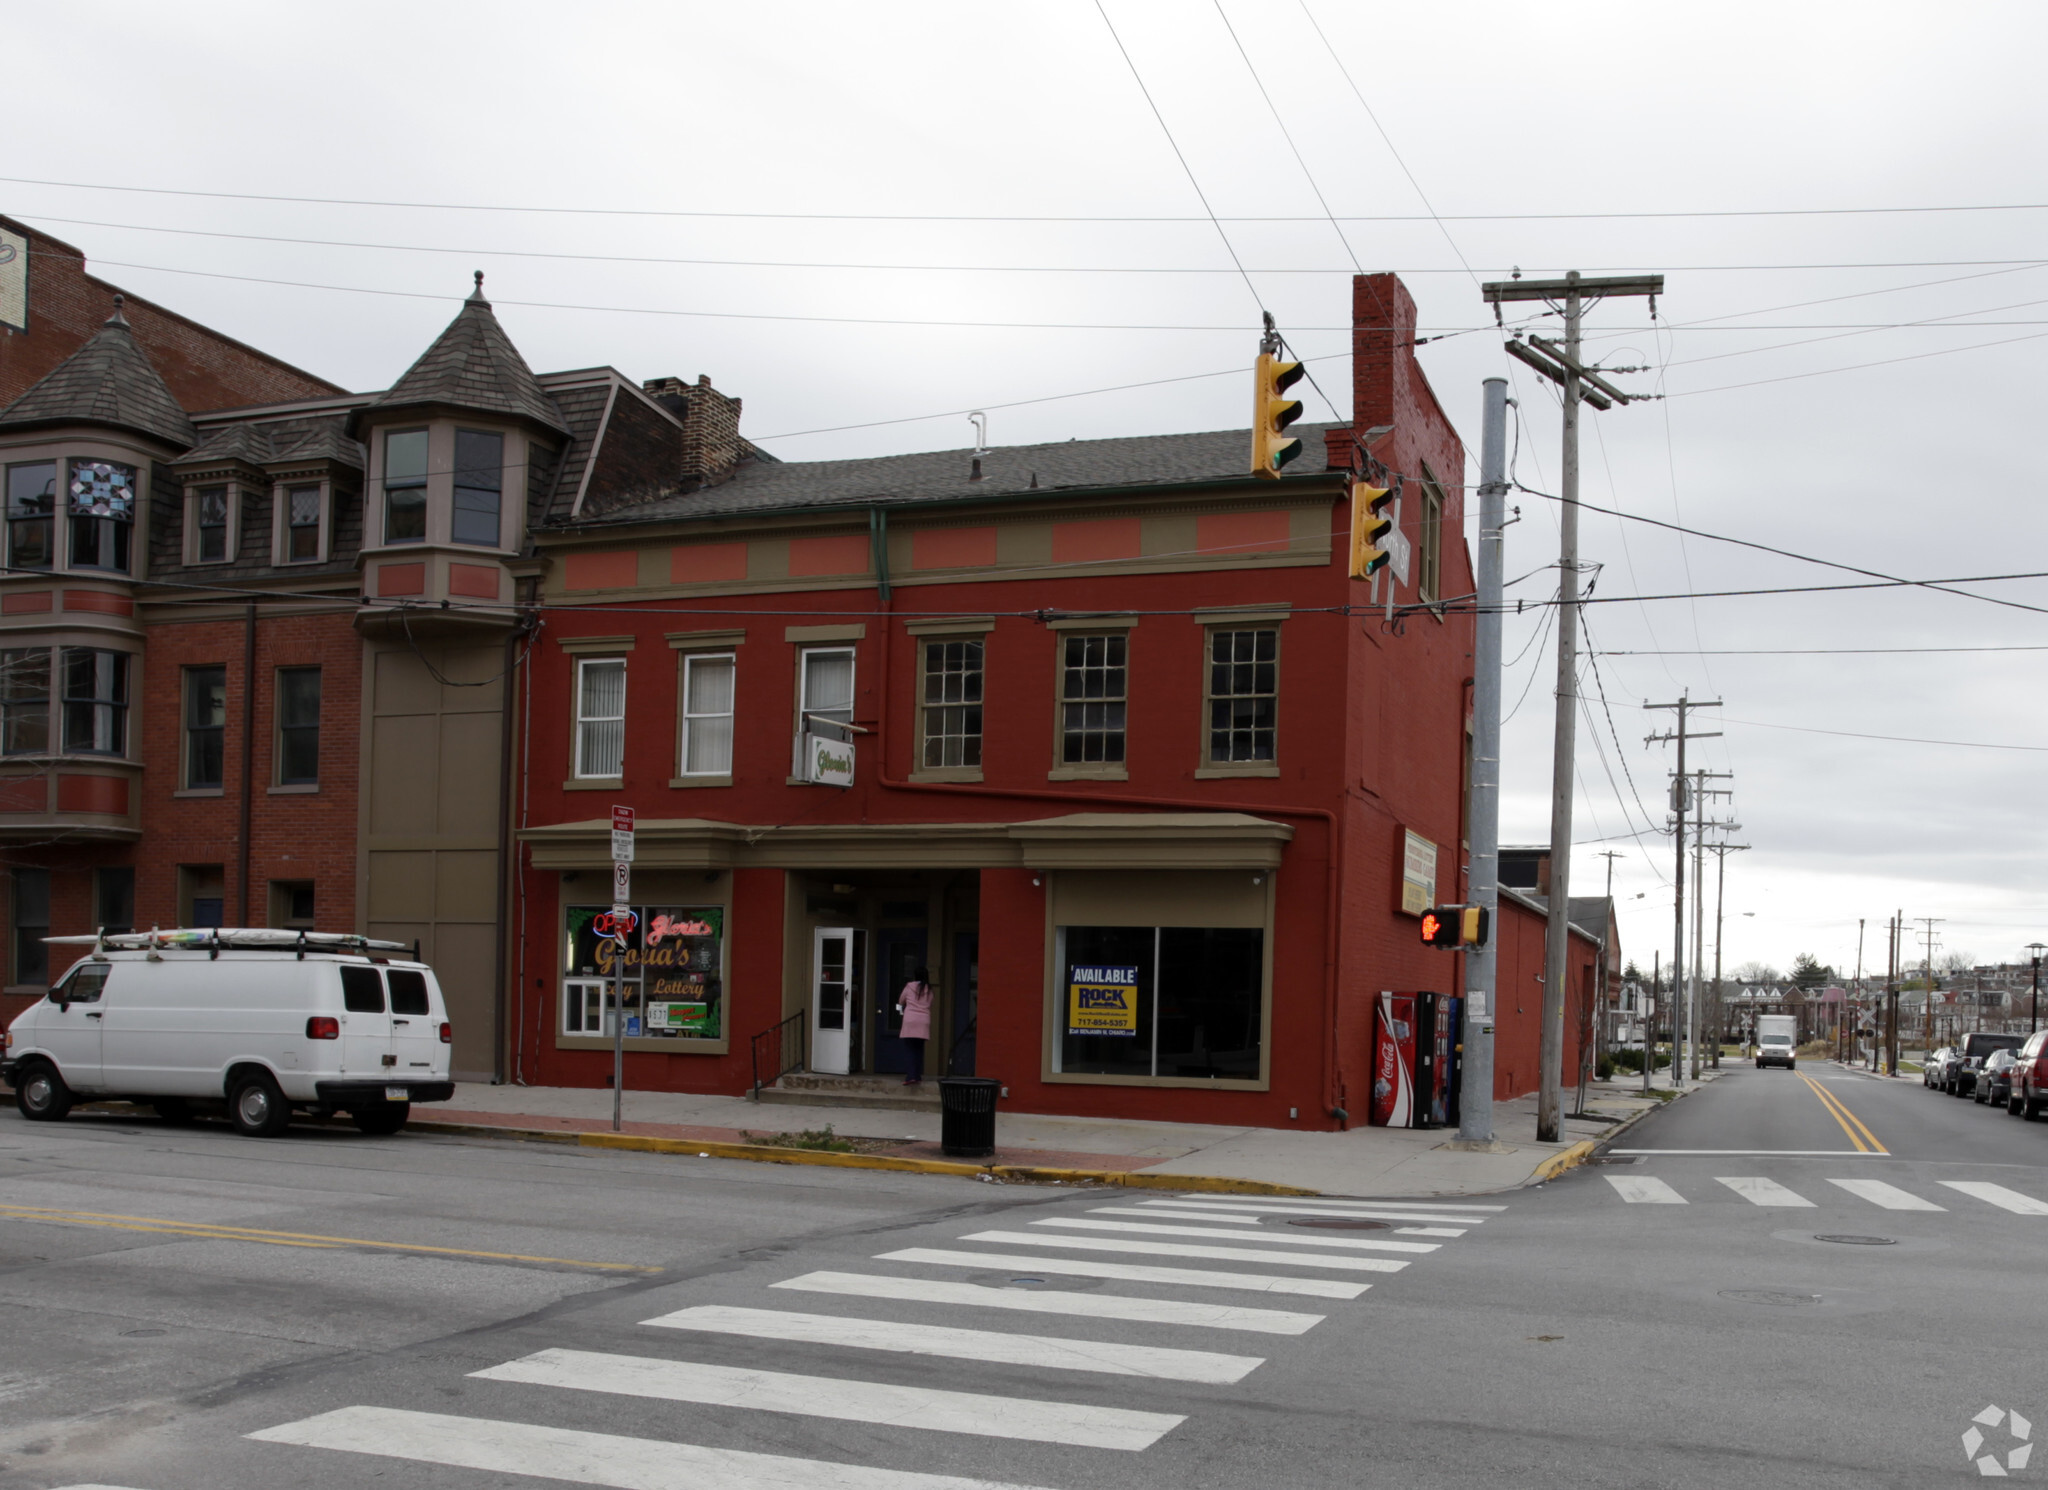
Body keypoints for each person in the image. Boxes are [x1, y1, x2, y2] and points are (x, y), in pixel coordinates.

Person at [896, 966, 934, 1085]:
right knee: (919, 1049)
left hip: (910, 1020)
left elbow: (901, 1000)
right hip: (923, 1021)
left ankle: (911, 1076)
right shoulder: (929, 990)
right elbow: (930, 1003)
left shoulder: (909, 986)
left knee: (910, 1049)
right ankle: (917, 1075)